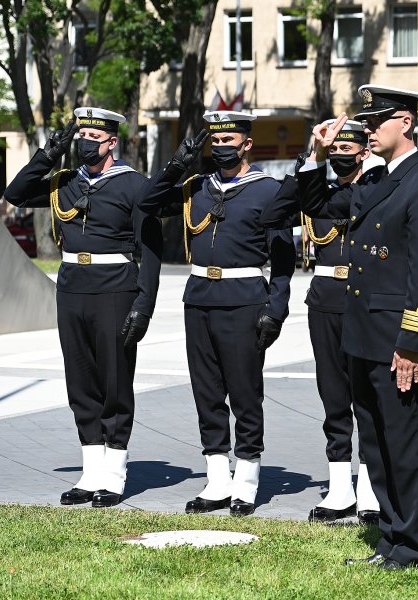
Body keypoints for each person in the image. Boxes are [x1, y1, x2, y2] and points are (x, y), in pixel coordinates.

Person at [297, 85, 418, 570]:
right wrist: (314, 155)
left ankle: (413, 546)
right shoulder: (377, 181)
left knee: (405, 442)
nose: (367, 128)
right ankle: (390, 536)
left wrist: (411, 343)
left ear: (404, 122)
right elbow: (317, 205)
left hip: (395, 339)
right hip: (361, 334)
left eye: (376, 120)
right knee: (377, 445)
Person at [3, 107, 164, 508]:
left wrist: (144, 304)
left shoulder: (134, 185)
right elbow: (15, 194)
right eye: (81, 135)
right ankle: (91, 471)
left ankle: (114, 473)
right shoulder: (64, 181)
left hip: (116, 288)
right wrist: (45, 156)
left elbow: (152, 249)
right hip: (73, 287)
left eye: (94, 136)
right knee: (81, 381)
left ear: (112, 141)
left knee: (114, 381)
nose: (85, 142)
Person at [141, 111, 295, 517]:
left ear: (247, 144)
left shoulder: (267, 190)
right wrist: (177, 164)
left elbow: (283, 258)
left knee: (244, 392)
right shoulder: (196, 187)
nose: (222, 147)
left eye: (230, 141)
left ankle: (245, 479)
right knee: (206, 392)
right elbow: (147, 203)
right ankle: (216, 478)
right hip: (199, 298)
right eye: (216, 142)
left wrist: (276, 309)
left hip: (245, 299)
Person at [301, 118, 379, 526]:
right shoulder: (321, 195)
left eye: (347, 152)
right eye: (334, 153)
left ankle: (369, 489)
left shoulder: (379, 190)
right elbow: (282, 207)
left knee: (366, 396)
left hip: (365, 300)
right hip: (326, 299)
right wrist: (313, 153)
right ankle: (338, 487)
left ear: (365, 152)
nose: (339, 159)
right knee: (333, 396)